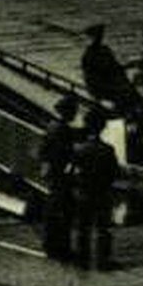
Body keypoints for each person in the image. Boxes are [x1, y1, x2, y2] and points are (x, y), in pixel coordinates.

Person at [71, 111, 122, 271]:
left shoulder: (79, 150)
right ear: (103, 127)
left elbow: (72, 172)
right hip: (102, 193)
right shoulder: (107, 150)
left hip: (83, 192)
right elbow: (115, 173)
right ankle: (102, 261)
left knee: (83, 227)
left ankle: (82, 260)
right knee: (103, 228)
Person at [36, 95, 82, 261]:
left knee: (53, 211)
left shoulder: (51, 127)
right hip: (62, 175)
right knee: (65, 212)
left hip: (53, 175)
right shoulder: (64, 130)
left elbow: (42, 151)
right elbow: (69, 154)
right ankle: (62, 248)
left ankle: (50, 246)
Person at [80, 24, 134, 115]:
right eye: (98, 36)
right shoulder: (91, 54)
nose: (100, 38)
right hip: (101, 85)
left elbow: (113, 66)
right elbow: (97, 73)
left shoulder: (102, 51)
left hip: (107, 83)